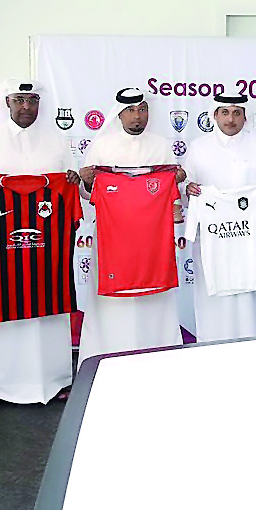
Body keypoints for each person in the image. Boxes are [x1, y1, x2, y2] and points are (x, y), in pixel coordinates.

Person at [0, 79, 79, 412]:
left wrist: (72, 180)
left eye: (33, 100)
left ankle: (54, 381)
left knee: (48, 308)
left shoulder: (57, 140)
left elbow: (74, 183)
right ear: (7, 103)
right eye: (20, 100)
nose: (26, 107)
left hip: (46, 245)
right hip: (0, 246)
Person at [76, 87, 186, 361]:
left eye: (143, 110)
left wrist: (178, 178)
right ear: (119, 114)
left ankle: (160, 353)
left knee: (155, 301)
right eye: (131, 111)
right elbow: (88, 193)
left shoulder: (160, 144)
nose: (138, 117)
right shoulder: (102, 146)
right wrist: (88, 180)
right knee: (112, 307)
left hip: (152, 242)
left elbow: (170, 193)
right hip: (113, 242)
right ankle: (105, 356)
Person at [183, 92, 256, 342]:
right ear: (214, 115)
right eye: (225, 112)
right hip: (213, 238)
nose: (230, 119)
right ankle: (212, 347)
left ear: (245, 116)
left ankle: (254, 346)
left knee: (251, 297)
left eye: (237, 113)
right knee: (214, 296)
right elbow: (185, 185)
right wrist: (189, 190)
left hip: (250, 236)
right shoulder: (198, 147)